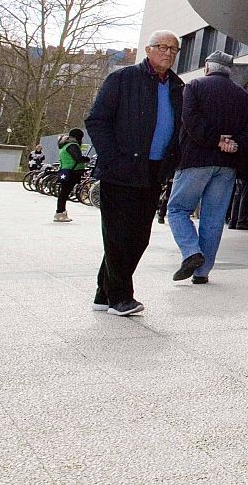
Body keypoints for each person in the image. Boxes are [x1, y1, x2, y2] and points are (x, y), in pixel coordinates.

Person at [86, 30, 185, 316]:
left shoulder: (178, 86)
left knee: (139, 237)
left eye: (173, 49)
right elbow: (97, 120)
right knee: (119, 235)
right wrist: (112, 159)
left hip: (153, 171)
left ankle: (103, 294)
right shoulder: (123, 79)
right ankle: (120, 297)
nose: (167, 53)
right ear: (148, 49)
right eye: (162, 47)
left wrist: (171, 162)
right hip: (120, 169)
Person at [166, 51, 248, 285]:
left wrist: (215, 140)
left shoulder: (194, 86)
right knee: (213, 218)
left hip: (195, 160)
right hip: (227, 165)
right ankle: (202, 272)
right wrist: (234, 143)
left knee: (177, 210)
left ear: (208, 67)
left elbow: (190, 119)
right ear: (230, 71)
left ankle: (191, 252)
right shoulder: (243, 96)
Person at [53, 129, 87, 223]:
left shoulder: (64, 145)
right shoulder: (73, 145)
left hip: (65, 170)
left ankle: (60, 212)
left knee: (63, 193)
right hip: (72, 171)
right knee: (64, 193)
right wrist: (86, 159)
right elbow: (78, 158)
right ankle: (60, 213)